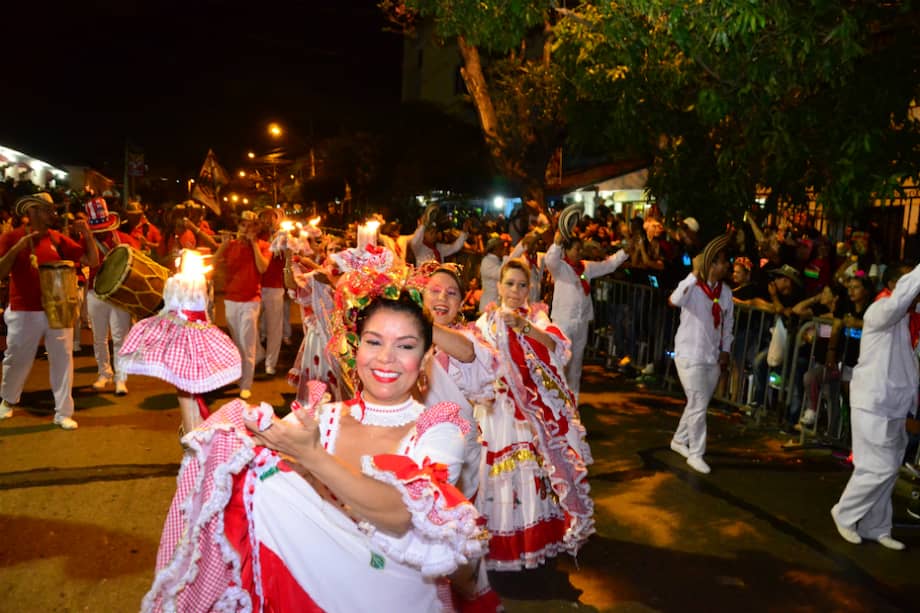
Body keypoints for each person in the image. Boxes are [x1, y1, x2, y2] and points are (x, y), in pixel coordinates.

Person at [142, 291, 488, 612]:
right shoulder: (323, 417)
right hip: (310, 592)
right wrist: (188, 389)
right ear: (356, 348)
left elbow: (401, 512)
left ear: (426, 356)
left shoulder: (439, 429)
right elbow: (226, 470)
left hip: (399, 599)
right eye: (374, 342)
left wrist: (311, 457)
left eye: (406, 346)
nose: (386, 358)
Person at [475, 258, 594, 570]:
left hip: (528, 415)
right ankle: (499, 542)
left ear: (530, 288)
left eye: (522, 285)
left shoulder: (537, 317)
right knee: (496, 479)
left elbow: (558, 347)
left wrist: (524, 328)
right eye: (510, 284)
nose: (515, 290)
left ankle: (535, 540)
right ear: (498, 286)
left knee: (530, 476)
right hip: (494, 412)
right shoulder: (482, 324)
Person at [831, 262, 920, 551]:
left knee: (890, 468)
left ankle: (876, 526)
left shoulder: (907, 318)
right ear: (895, 284)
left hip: (893, 404)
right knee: (876, 467)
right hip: (873, 402)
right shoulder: (881, 310)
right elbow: (904, 296)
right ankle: (844, 513)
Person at [0, 193, 100, 429]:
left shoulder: (58, 239)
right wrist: (17, 249)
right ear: (33, 211)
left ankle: (63, 412)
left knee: (63, 360)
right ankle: (7, 400)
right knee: (17, 359)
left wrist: (87, 234)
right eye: (47, 210)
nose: (52, 214)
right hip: (24, 309)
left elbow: (92, 261)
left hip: (58, 311)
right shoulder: (11, 237)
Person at [668, 235, 734, 475]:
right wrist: (694, 274)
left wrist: (725, 350)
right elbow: (674, 299)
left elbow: (728, 325)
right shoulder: (693, 287)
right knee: (697, 404)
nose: (727, 266)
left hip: (711, 356)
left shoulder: (725, 292)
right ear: (711, 264)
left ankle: (678, 440)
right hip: (689, 354)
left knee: (699, 404)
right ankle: (696, 453)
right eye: (722, 262)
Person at [545, 231, 628, 401]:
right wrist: (556, 243)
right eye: (576, 249)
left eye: (580, 249)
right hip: (563, 321)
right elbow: (550, 260)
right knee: (561, 362)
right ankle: (556, 402)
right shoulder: (560, 267)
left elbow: (608, 265)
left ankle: (573, 402)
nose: (579, 252)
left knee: (576, 364)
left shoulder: (586, 266)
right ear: (566, 251)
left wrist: (625, 252)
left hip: (581, 321)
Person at [84, 196, 140, 395]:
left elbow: (137, 261)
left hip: (118, 293)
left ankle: (120, 378)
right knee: (99, 337)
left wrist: (121, 249)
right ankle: (104, 373)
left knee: (119, 338)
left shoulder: (124, 239)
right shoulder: (87, 241)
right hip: (95, 291)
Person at [214, 211, 270, 399]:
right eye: (243, 225)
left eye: (250, 226)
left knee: (247, 343)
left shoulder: (263, 245)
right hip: (231, 299)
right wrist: (222, 246)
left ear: (256, 229)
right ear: (238, 227)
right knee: (237, 342)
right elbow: (214, 265)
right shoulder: (230, 245)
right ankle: (240, 375)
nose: (246, 229)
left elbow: (262, 267)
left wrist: (253, 244)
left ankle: (247, 383)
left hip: (251, 300)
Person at [478, 235, 507, 313]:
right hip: (487, 306)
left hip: (498, 306)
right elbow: (501, 274)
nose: (504, 248)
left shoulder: (498, 261)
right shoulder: (487, 261)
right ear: (495, 249)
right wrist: (506, 258)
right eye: (502, 247)